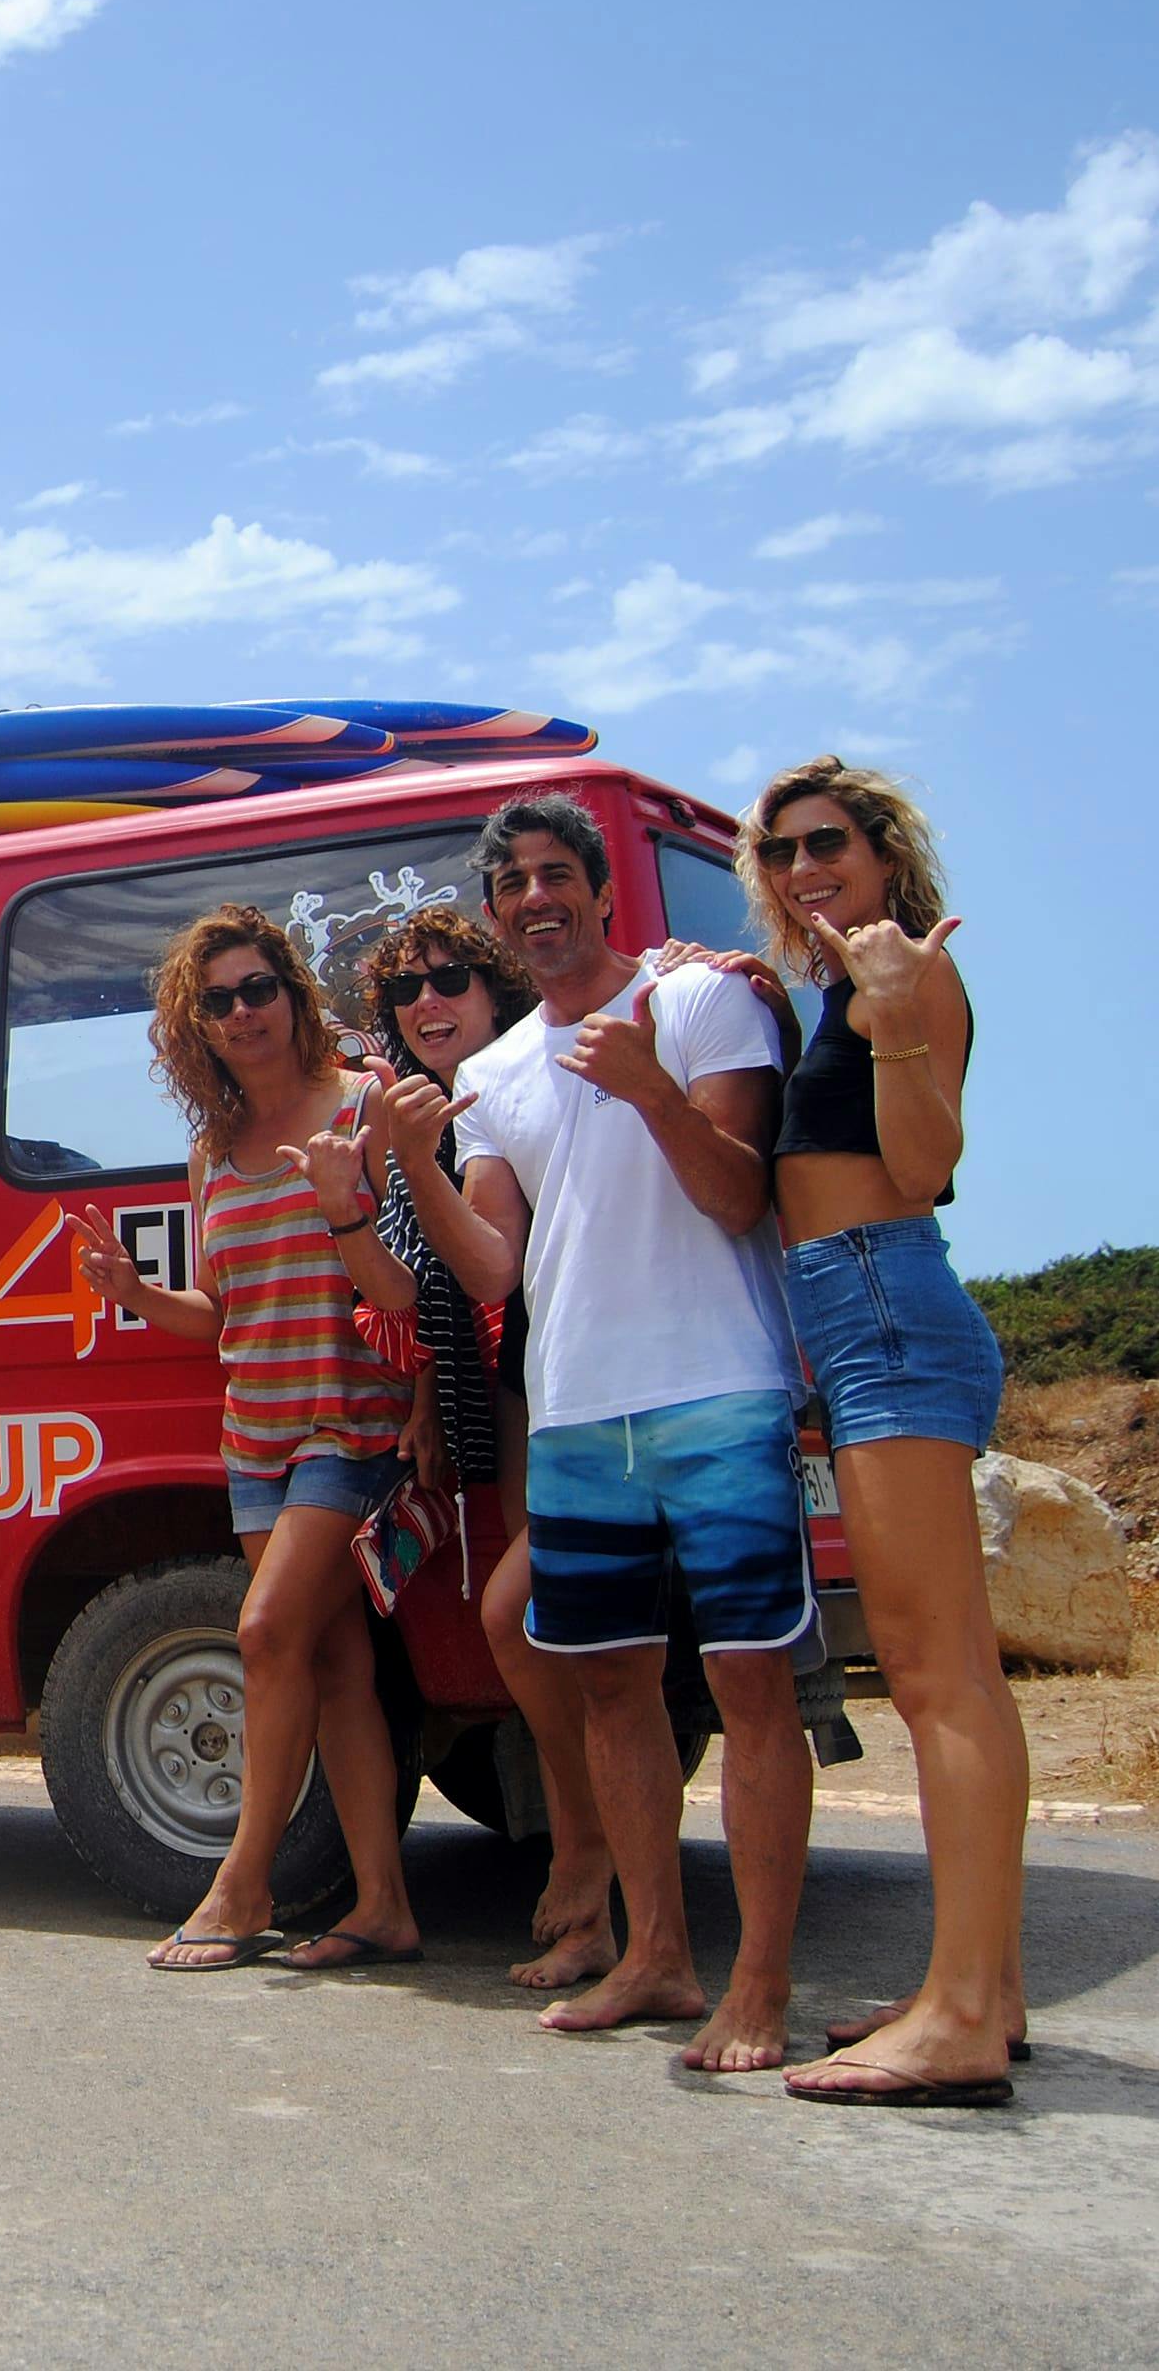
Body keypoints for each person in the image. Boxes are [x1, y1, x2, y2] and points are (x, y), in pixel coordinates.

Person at [400, 793, 813, 2072]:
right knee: (605, 1689)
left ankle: (758, 1986)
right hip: (577, 1409)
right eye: (511, 882)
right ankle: (657, 1960)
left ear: (596, 890)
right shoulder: (489, 1074)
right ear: (491, 914)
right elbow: (488, 1270)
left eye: (554, 874)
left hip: (719, 1388)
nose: (535, 898)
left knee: (750, 1687)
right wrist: (406, 1164)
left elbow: (739, 1192)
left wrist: (647, 1090)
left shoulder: (699, 1006)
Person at [705, 760, 1019, 2109]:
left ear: (885, 852)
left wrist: (889, 1018)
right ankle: (984, 1992)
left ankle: (955, 2017)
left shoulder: (905, 976)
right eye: (774, 851)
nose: (797, 866)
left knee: (936, 1673)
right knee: (944, 1669)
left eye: (824, 841)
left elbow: (919, 1168)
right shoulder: (842, 986)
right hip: (854, 1314)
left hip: (885, 1297)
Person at [76, 907, 422, 1973]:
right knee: (330, 1662)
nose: (241, 1012)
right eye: (216, 1000)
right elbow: (219, 1315)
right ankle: (383, 1906)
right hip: (255, 1438)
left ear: (293, 992)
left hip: (347, 1425)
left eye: (256, 988)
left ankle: (241, 1885)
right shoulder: (210, 1154)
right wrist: (134, 1294)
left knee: (265, 1637)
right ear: (198, 1025)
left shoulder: (363, 1111)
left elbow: (410, 1292)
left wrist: (345, 1207)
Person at [356, 911, 618, 1990]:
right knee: (539, 1630)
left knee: (532, 1620)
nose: (428, 1004)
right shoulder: (429, 1124)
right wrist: (422, 1397)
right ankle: (592, 1871)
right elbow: (430, 1284)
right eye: (404, 995)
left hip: (594, 1391)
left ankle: (592, 1862)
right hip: (513, 1403)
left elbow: (491, 1273)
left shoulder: (528, 1088)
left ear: (497, 990)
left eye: (451, 979)